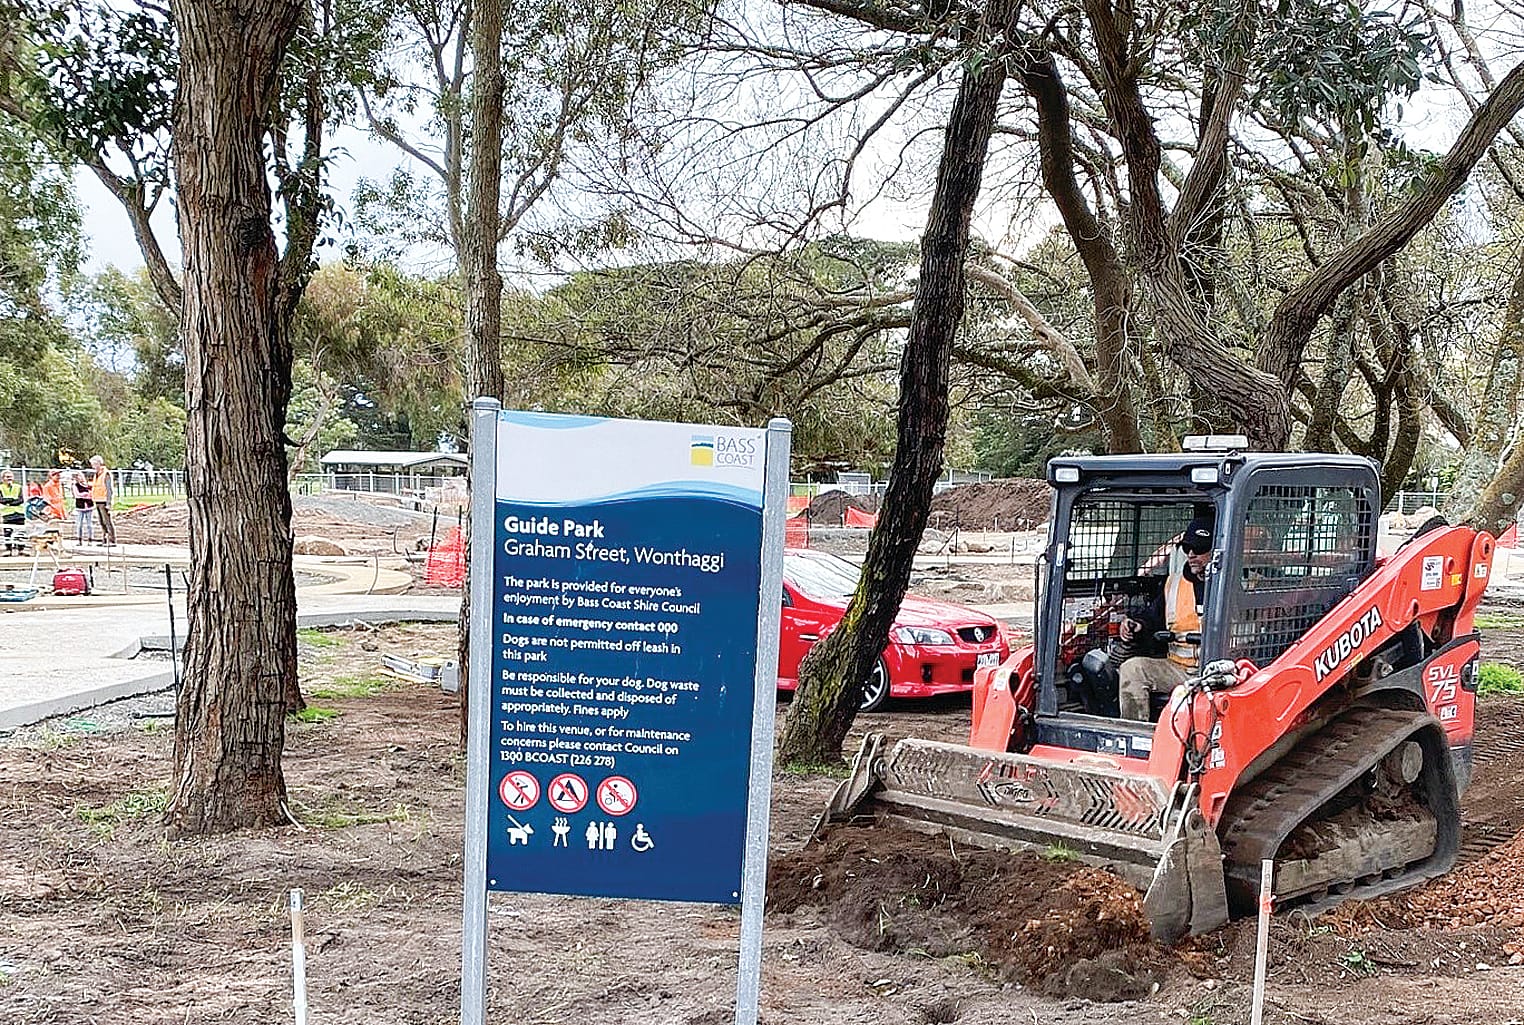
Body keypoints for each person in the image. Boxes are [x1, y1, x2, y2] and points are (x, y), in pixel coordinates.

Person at [1116, 517, 1214, 721]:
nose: (1191, 554)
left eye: (1199, 548)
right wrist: (1137, 625)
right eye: (1187, 548)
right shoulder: (1174, 584)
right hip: (1179, 668)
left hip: (1221, 671)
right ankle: (1135, 733)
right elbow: (1153, 617)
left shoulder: (1238, 583)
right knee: (1132, 669)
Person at [89, 456, 117, 545]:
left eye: (93, 464)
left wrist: (109, 503)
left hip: (104, 501)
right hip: (97, 500)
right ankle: (105, 539)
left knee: (107, 521)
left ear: (98, 463)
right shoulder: (97, 475)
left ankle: (112, 540)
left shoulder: (106, 474)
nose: (92, 466)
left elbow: (109, 489)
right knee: (101, 521)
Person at [0, 469, 23, 554]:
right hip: (7, 513)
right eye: (7, 476)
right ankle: (8, 550)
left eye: (10, 476)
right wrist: (12, 500)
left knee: (21, 532)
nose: (9, 478)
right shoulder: (1, 488)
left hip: (19, 512)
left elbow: (21, 499)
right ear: (3, 478)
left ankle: (21, 549)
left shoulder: (18, 487)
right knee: (8, 532)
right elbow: (1, 500)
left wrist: (9, 503)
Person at [71, 469, 96, 544]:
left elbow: (92, 494)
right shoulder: (75, 486)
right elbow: (77, 495)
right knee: (79, 524)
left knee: (89, 524)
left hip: (89, 506)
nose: (80, 477)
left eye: (81, 476)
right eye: (78, 476)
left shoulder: (88, 485)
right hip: (80, 507)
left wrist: (87, 494)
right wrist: (86, 494)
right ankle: (79, 539)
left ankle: (90, 539)